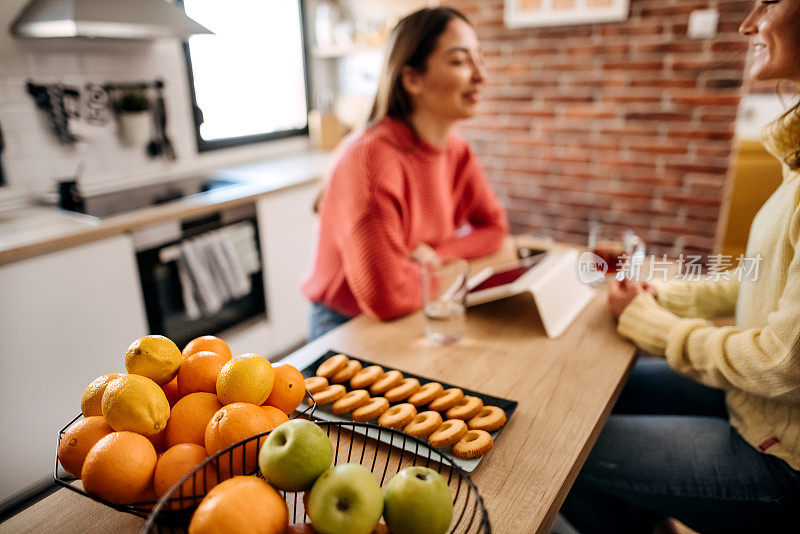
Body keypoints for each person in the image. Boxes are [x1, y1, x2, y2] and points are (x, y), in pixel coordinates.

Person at [561, 1, 800, 532]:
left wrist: (650, 322)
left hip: (782, 459)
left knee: (565, 444)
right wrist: (664, 298)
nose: (747, 23)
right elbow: (763, 274)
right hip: (759, 408)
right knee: (597, 394)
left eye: (770, 2)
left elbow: (785, 362)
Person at [302, 7, 509, 340]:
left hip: (417, 305)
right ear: (412, 79)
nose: (481, 76)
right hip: (349, 325)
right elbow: (388, 296)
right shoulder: (369, 159)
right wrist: (438, 270)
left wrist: (436, 257)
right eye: (459, 61)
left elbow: (495, 228)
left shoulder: (457, 151)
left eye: (479, 60)